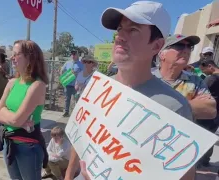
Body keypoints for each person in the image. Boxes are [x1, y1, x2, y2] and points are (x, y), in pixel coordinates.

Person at [66, 1, 196, 180]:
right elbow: (80, 137)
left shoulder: (174, 107)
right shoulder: (97, 87)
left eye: (133, 30)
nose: (120, 37)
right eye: (120, 29)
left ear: (157, 46)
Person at [0, 40, 49, 180]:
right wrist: (16, 120)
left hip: (28, 148)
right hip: (9, 143)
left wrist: (10, 116)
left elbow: (15, 120)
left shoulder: (37, 85)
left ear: (30, 58)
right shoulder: (12, 82)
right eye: (12, 54)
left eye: (16, 54)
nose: (12, 58)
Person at [198, 59, 219, 166]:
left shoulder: (210, 79)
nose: (204, 73)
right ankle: (205, 160)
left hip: (206, 114)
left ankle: (197, 162)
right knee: (210, 137)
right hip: (217, 115)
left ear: (210, 66)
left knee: (199, 137)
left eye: (204, 70)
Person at [61, 50, 83, 117]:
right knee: (67, 99)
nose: (73, 56)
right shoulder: (67, 63)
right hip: (68, 84)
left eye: (74, 54)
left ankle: (75, 114)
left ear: (77, 55)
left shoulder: (81, 64)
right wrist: (64, 77)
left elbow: (84, 74)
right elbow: (62, 70)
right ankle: (66, 112)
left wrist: (76, 74)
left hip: (76, 85)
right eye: (72, 54)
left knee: (76, 99)